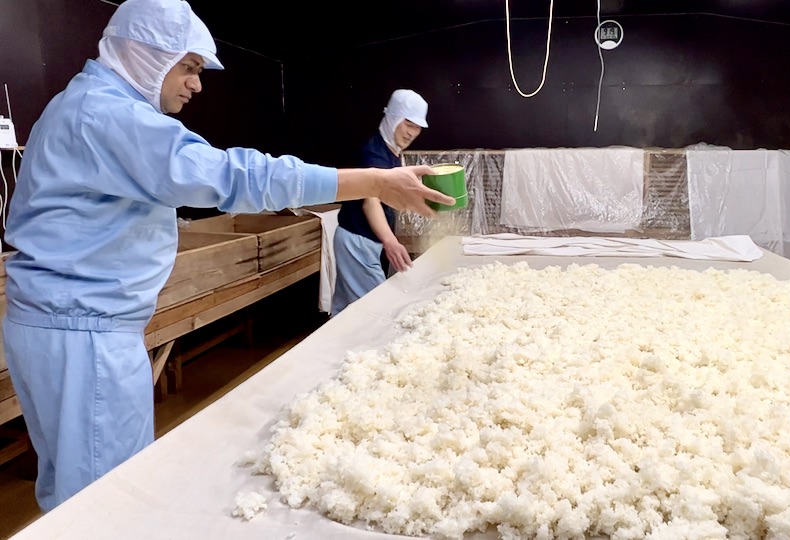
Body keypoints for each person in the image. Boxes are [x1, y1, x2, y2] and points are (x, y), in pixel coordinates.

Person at [0, 0, 452, 513]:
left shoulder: (88, 106)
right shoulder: (109, 115)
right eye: (189, 67)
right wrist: (369, 182)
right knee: (103, 504)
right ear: (146, 54)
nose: (196, 84)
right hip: (82, 335)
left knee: (74, 493)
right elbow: (232, 177)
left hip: (70, 325)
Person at [330, 89, 428, 316]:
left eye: (417, 128)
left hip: (363, 239)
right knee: (378, 311)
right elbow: (370, 203)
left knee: (347, 312)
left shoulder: (390, 151)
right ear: (393, 117)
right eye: (408, 124)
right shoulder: (373, 154)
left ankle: (335, 348)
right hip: (358, 240)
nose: (412, 133)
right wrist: (391, 242)